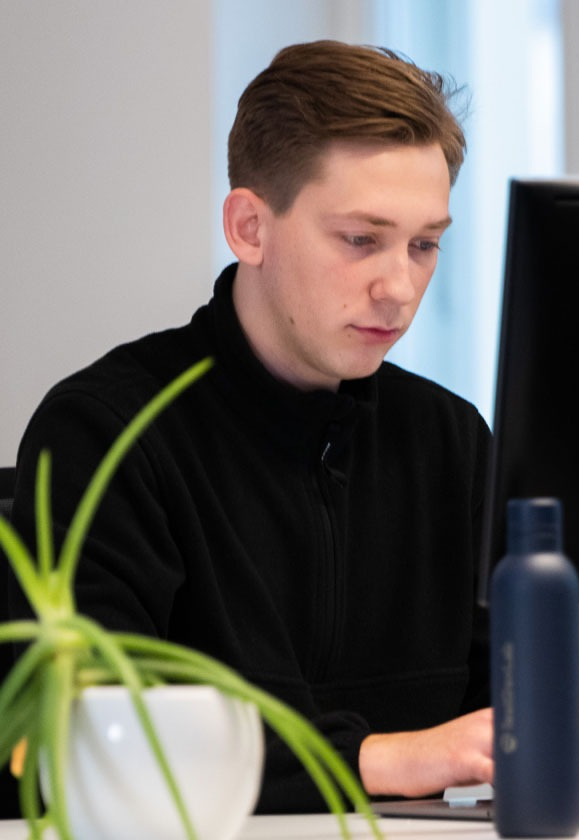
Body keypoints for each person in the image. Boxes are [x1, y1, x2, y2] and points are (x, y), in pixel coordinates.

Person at [5, 40, 493, 813]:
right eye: (362, 239)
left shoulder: (451, 442)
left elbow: (527, 711)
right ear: (249, 228)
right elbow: (68, 739)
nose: (400, 287)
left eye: (425, 244)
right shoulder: (106, 432)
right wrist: (381, 758)